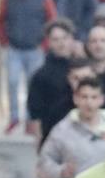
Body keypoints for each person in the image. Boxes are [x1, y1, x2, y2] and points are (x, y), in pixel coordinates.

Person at [0, 0, 57, 133]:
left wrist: (45, 44)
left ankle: (31, 120)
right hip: (14, 49)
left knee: (34, 86)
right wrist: (3, 41)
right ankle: (14, 117)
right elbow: (0, 20)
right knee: (12, 81)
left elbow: (52, 21)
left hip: (35, 49)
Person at [37, 72, 105, 178]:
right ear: (75, 98)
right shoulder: (62, 130)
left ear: (101, 99)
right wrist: (61, 172)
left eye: (94, 97)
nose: (89, 103)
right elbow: (45, 159)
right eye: (84, 97)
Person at [21, 16, 76, 147]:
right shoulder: (41, 76)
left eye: (64, 38)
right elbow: (35, 111)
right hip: (52, 135)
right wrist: (39, 139)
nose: (61, 43)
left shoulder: (82, 68)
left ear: (71, 39)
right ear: (49, 43)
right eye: (56, 40)